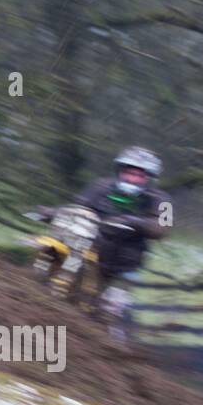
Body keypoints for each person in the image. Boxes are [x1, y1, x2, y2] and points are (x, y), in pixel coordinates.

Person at [47, 146, 171, 340]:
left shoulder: (161, 200)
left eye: (139, 175)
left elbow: (162, 228)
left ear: (149, 178)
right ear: (120, 171)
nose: (132, 178)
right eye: (129, 172)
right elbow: (78, 207)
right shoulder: (101, 187)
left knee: (111, 310)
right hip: (91, 253)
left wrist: (134, 222)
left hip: (124, 267)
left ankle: (113, 347)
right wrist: (52, 213)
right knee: (64, 288)